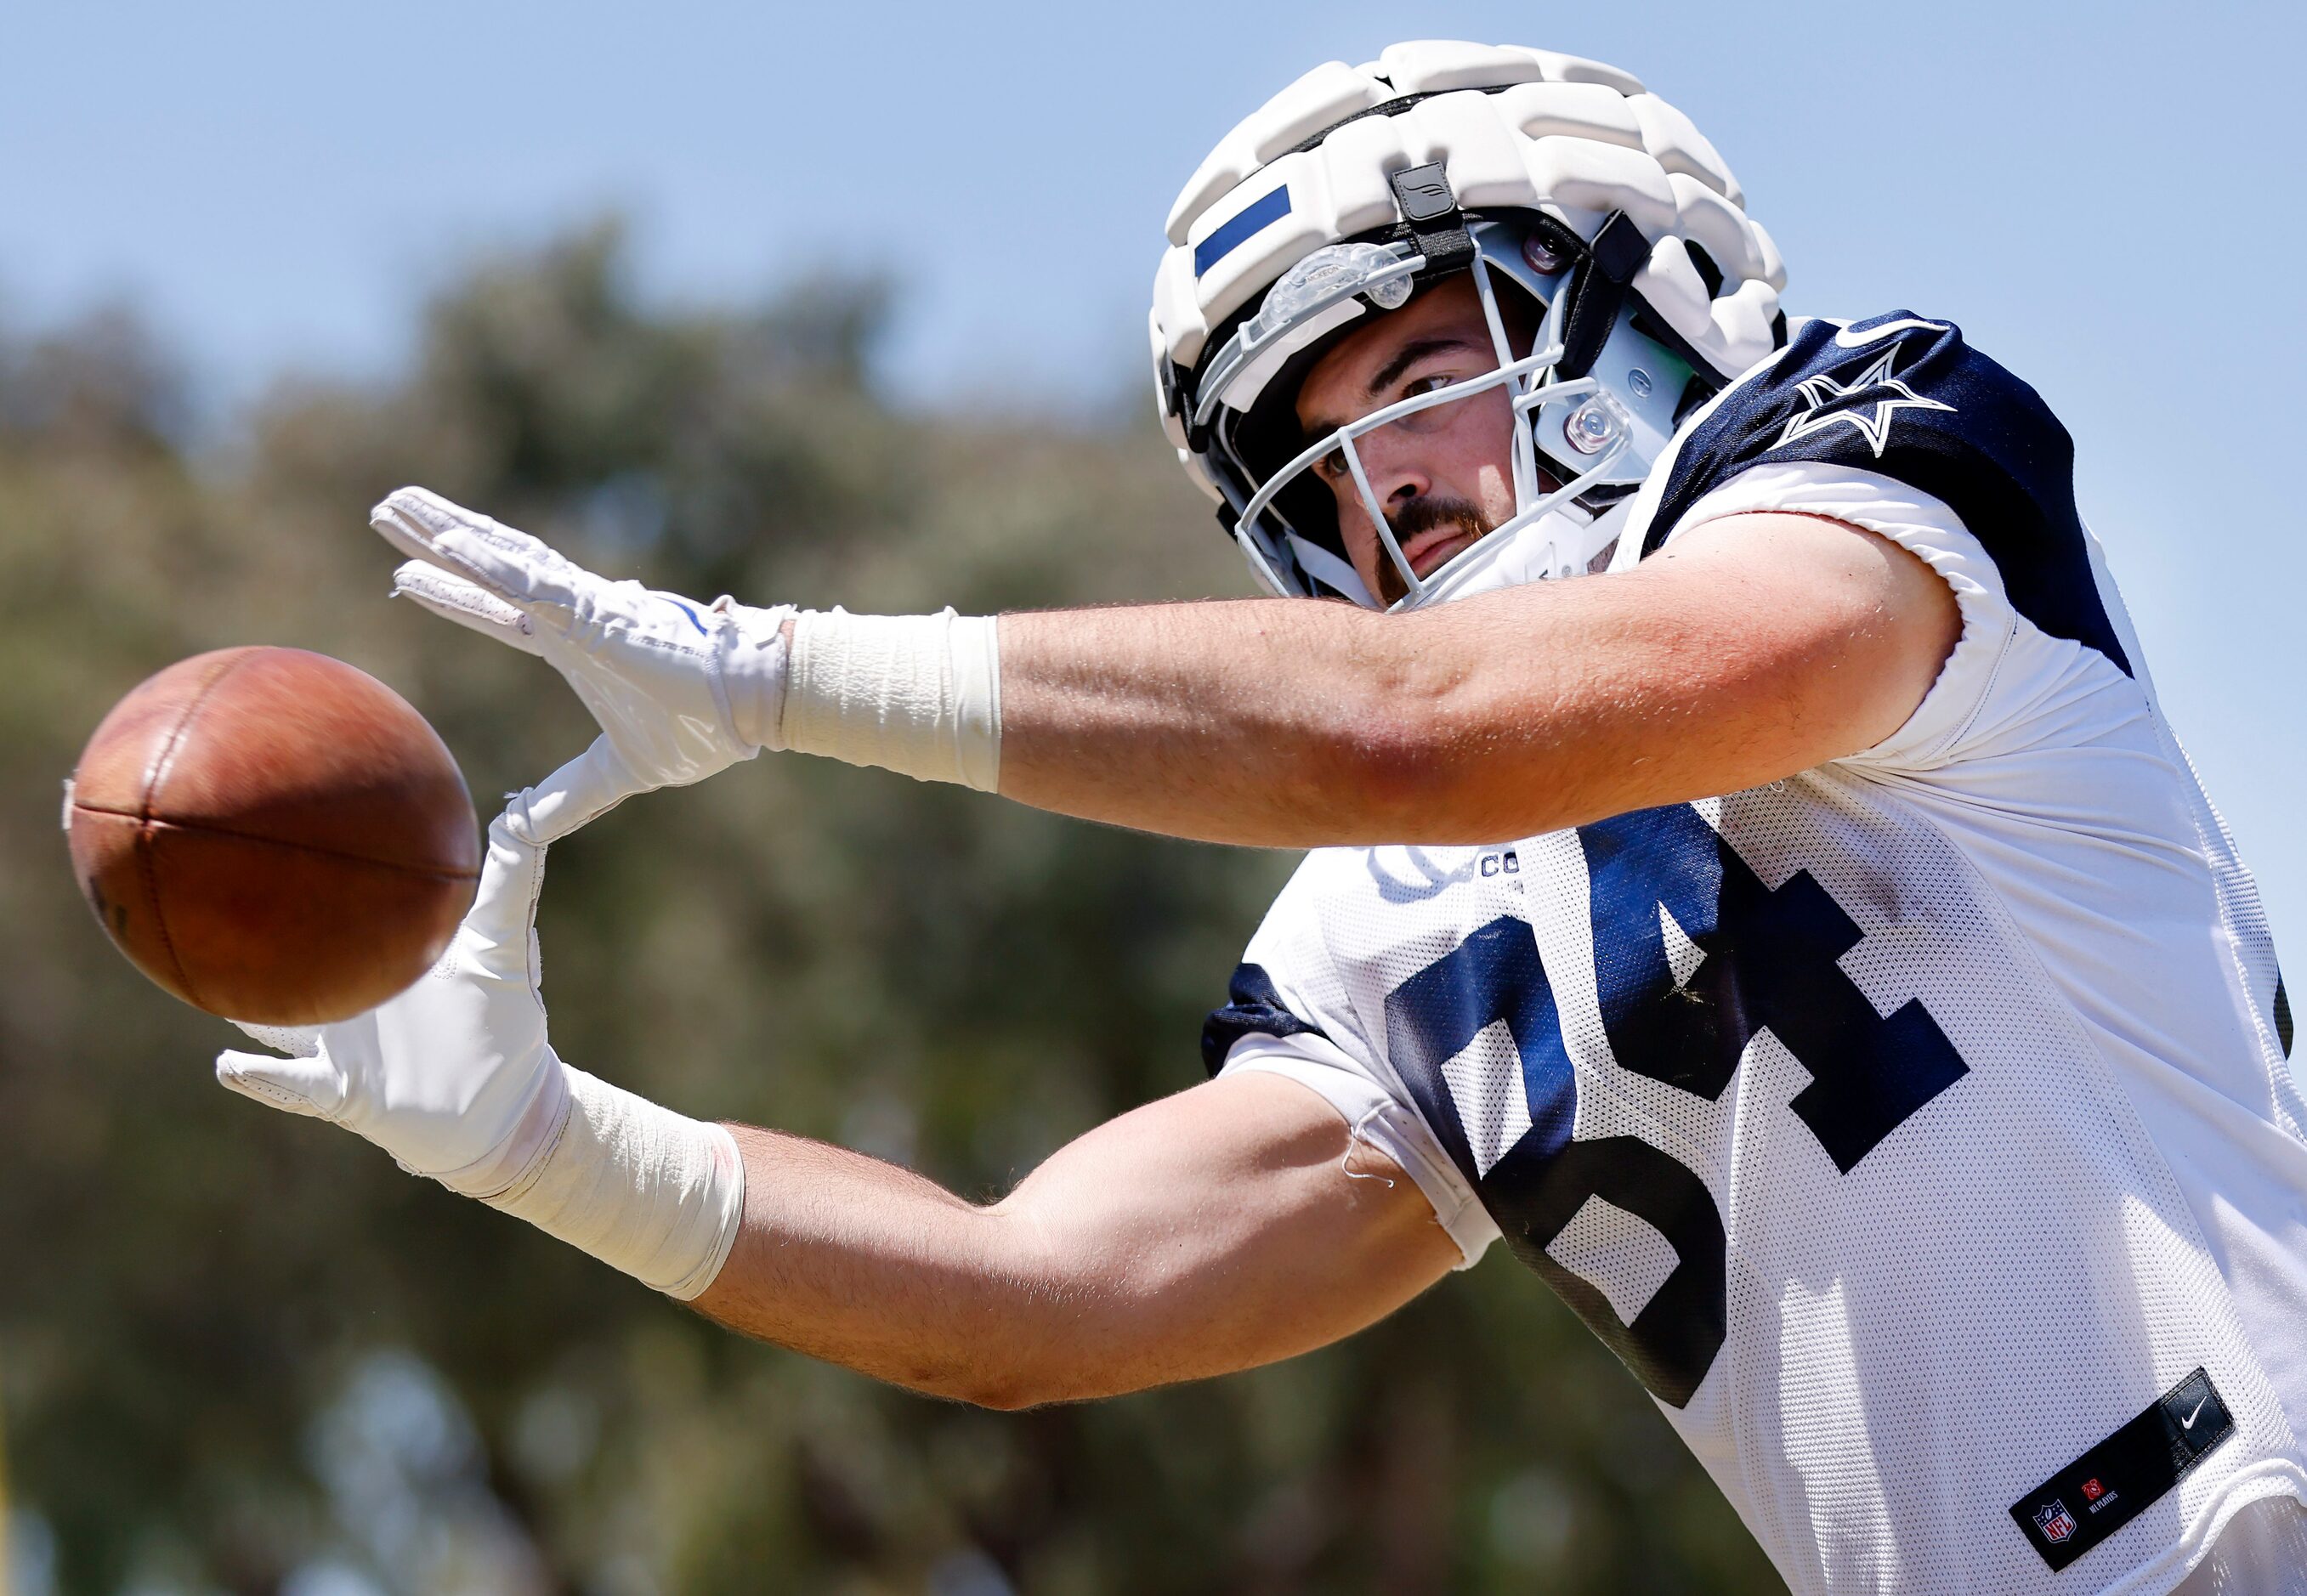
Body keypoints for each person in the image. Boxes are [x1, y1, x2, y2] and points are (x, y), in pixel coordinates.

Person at [213, 40, 2307, 1593]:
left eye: (1412, 364)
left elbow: (1427, 728)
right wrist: (550, 1146)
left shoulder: (1881, 460)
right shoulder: (1387, 920)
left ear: (1639, 298)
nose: (1373, 483)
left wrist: (779, 671)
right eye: (1305, 462)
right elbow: (1032, 1300)